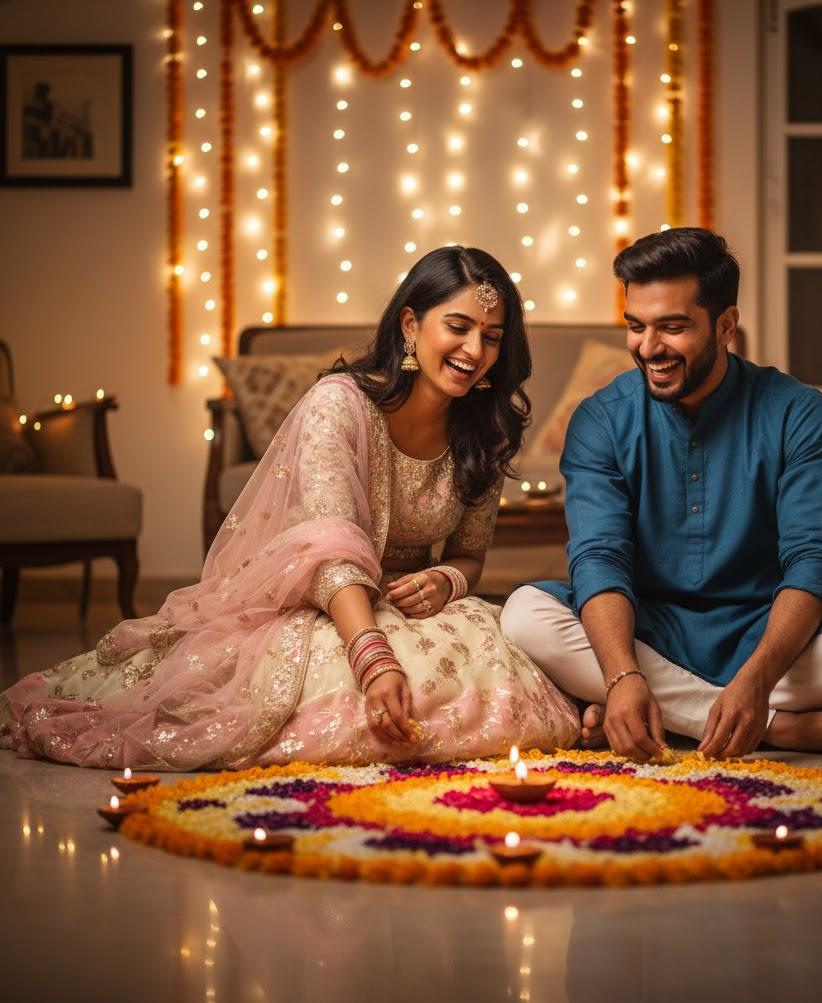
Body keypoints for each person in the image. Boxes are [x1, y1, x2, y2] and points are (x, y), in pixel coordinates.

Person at [1, 246, 580, 770]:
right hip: (323, 602)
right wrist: (374, 658)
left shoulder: (489, 430)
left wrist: (449, 580)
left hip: (412, 603)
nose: (474, 351)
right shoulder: (340, 407)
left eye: (493, 336)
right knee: (334, 705)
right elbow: (328, 552)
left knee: (511, 690)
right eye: (458, 327)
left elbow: (470, 556)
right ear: (411, 323)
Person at [501, 228, 822, 763]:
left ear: (725, 324)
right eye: (636, 326)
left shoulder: (799, 412)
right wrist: (622, 675)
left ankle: (691, 712)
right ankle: (781, 728)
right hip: (650, 633)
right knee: (524, 613)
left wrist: (757, 678)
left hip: (770, 633)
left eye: (673, 327)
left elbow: (814, 561)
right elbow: (600, 558)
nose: (648, 347)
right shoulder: (600, 420)